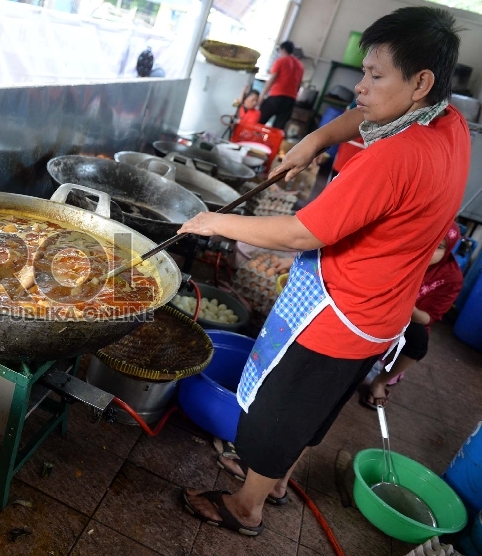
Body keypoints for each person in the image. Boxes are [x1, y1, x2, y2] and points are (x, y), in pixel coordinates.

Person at [178, 6, 469, 537]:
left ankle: (247, 505)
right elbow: (365, 117)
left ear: (420, 82)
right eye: (363, 72)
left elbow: (301, 233)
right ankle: (280, 479)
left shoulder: (395, 157)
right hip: (379, 315)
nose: (359, 88)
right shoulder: (446, 124)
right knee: (313, 408)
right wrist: (314, 141)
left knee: (277, 412)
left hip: (340, 310)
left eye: (374, 76)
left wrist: (214, 222)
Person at [360, 224, 464, 408]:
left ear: (448, 250)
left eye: (439, 247)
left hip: (408, 319)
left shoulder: (451, 278)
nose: (430, 250)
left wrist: (407, 306)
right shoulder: (402, 252)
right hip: (375, 308)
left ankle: (380, 381)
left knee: (419, 339)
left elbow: (427, 318)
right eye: (429, 241)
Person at [257, 41, 304, 129]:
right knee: (278, 128)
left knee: (259, 121)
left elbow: (272, 79)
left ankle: (251, 141)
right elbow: (298, 85)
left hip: (276, 96)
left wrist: (262, 95)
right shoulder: (300, 66)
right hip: (290, 100)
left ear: (283, 50)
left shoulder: (281, 61)